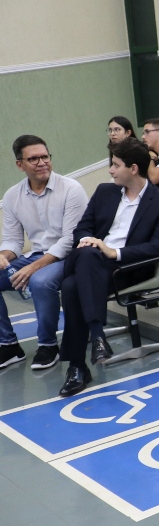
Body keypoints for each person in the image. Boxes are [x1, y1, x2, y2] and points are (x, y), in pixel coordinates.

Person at [57, 138, 159, 396]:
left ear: (133, 169)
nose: (110, 170)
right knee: (88, 255)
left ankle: (78, 366)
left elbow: (158, 248)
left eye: (115, 165)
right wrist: (89, 241)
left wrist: (114, 252)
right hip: (91, 259)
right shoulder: (105, 191)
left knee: (70, 286)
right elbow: (83, 227)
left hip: (126, 268)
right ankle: (97, 336)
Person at [0, 135, 88, 371]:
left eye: (45, 157)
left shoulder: (71, 189)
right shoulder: (12, 196)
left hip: (69, 257)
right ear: (20, 164)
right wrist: (4, 256)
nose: (41, 163)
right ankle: (8, 345)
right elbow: (13, 241)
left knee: (39, 281)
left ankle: (48, 346)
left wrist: (33, 268)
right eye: (33, 159)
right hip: (36, 255)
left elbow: (70, 240)